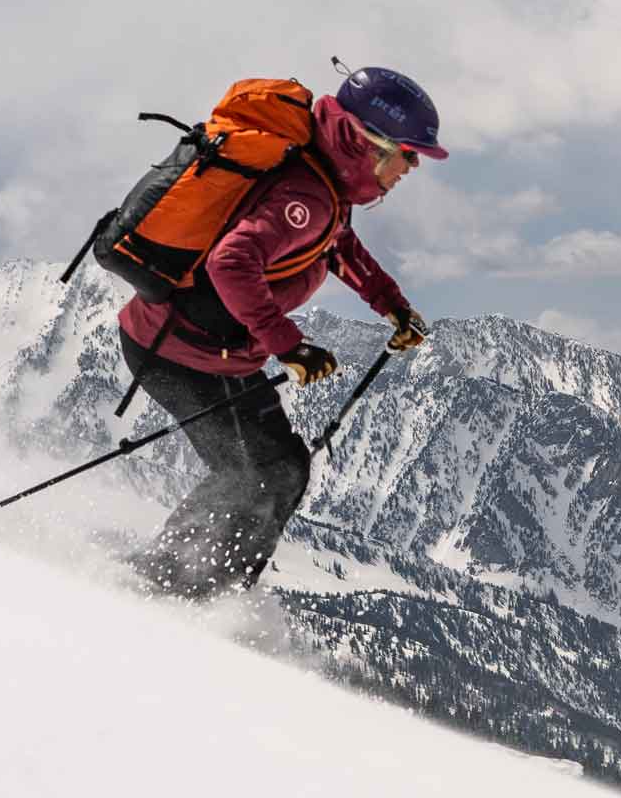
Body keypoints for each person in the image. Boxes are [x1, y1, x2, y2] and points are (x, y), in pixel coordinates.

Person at [115, 65, 444, 597]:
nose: (411, 168)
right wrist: (287, 344)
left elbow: (337, 247)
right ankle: (174, 590)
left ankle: (186, 582)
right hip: (182, 353)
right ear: (369, 144)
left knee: (276, 467)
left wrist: (391, 306)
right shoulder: (307, 196)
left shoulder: (323, 189)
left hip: (200, 349)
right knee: (258, 473)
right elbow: (232, 261)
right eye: (408, 155)